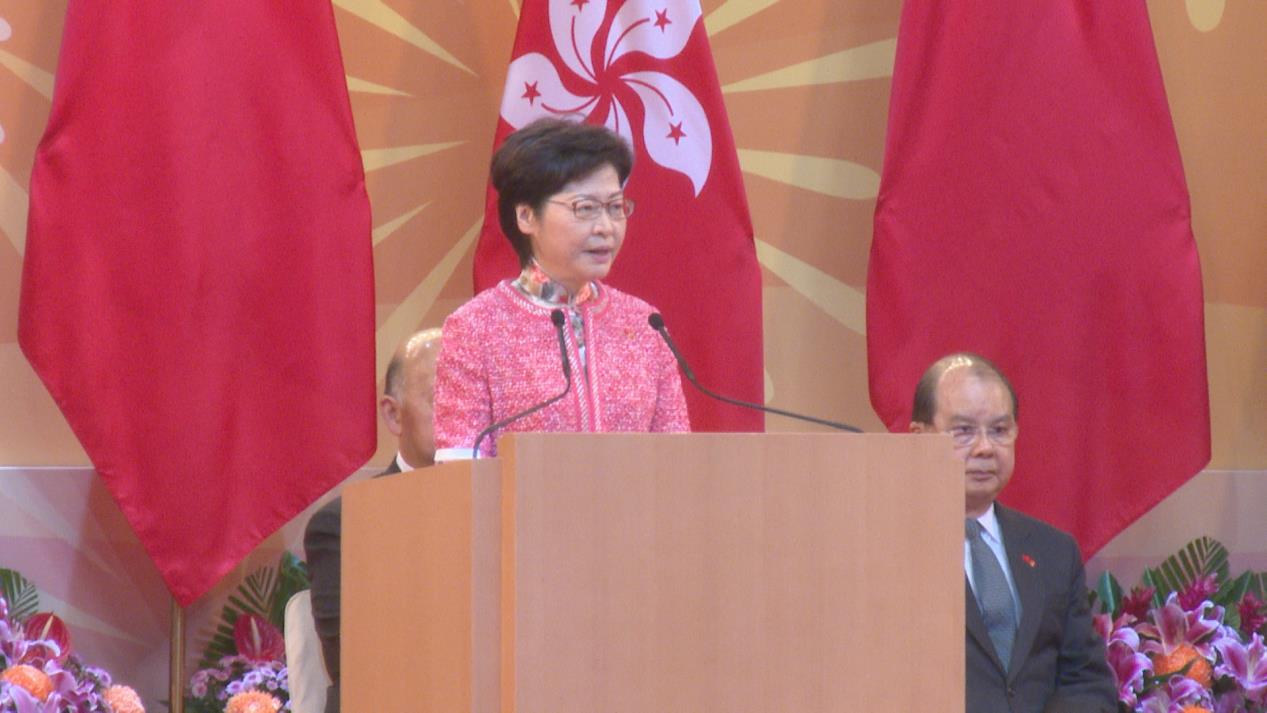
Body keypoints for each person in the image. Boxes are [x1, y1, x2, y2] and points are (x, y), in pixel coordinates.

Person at [433, 117, 689, 459]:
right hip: (519, 497)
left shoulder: (644, 325)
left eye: (615, 207)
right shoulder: (476, 328)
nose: (606, 227)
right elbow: (461, 468)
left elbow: (677, 461)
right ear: (526, 216)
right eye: (585, 208)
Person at [909, 353, 1117, 713]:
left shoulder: (1054, 551)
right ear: (919, 438)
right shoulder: (887, 550)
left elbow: (1086, 680)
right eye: (963, 431)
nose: (985, 448)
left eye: (999, 430)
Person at [303, 328, 441, 713]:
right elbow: (354, 662)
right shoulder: (344, 525)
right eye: (442, 398)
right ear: (393, 414)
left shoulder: (512, 512)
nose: (463, 415)